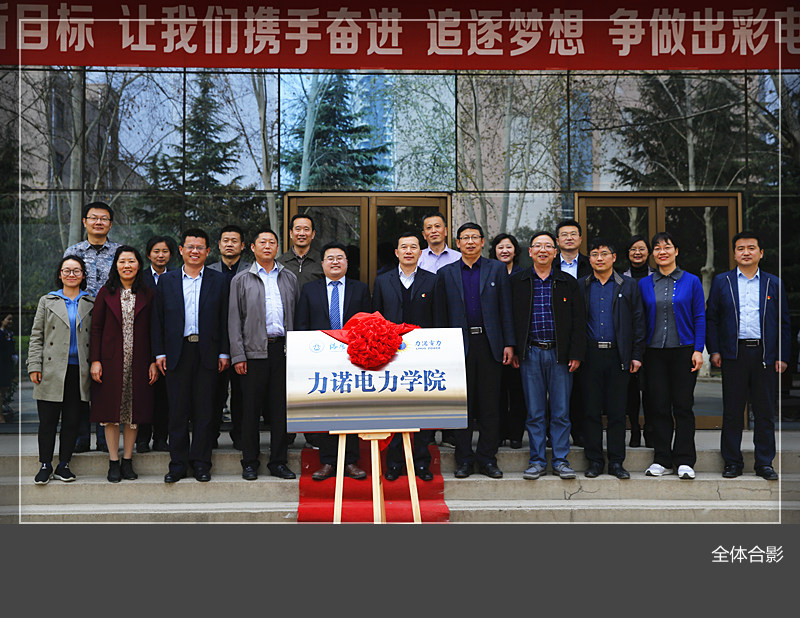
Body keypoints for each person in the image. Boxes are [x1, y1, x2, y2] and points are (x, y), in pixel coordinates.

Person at [706, 231, 790, 481]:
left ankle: (764, 463)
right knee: (732, 411)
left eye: (751, 248)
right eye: (740, 248)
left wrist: (782, 355)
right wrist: (715, 350)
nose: (746, 252)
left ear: (761, 253)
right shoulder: (722, 281)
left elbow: (783, 323)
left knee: (764, 411)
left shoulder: (773, 283)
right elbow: (712, 319)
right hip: (734, 354)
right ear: (734, 254)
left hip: (765, 354)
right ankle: (732, 462)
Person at [435, 223, 515, 479]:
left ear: (482, 241)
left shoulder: (497, 269)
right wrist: (443, 347)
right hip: (459, 346)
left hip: (490, 344)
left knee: (490, 405)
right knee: (463, 406)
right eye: (465, 238)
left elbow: (506, 309)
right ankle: (464, 460)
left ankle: (488, 459)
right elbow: (441, 314)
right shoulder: (446, 273)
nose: (470, 242)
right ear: (457, 243)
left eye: (474, 237)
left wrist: (509, 343)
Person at [152, 228, 231, 483]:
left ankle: (201, 463)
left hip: (208, 352)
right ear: (181, 250)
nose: (194, 251)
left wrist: (224, 351)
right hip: (177, 352)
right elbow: (158, 319)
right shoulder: (167, 281)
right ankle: (177, 464)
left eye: (200, 248)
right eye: (190, 247)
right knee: (177, 411)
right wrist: (159, 352)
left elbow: (225, 319)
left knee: (204, 411)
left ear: (208, 251)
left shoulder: (219, 281)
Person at [510, 231, 585, 480]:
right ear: (530, 252)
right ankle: (537, 461)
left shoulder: (568, 282)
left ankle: (561, 460)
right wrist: (515, 349)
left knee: (561, 411)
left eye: (548, 246)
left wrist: (576, 353)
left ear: (555, 252)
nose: (543, 250)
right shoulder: (518, 282)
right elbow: (510, 319)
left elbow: (579, 321)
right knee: (535, 412)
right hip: (530, 353)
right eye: (538, 246)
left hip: (560, 355)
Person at [295, 242, 372, 481]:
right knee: (326, 410)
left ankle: (351, 461)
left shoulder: (360, 289)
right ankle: (328, 461)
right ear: (322, 264)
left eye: (340, 258)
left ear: (347, 263)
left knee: (351, 410)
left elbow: (369, 324)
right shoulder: (310, 290)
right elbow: (302, 325)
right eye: (330, 258)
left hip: (353, 359)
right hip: (321, 361)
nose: (335, 262)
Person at [229, 227, 299, 481]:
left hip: (283, 351)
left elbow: (296, 314)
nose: (267, 246)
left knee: (280, 410)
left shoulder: (289, 277)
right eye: (262, 242)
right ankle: (250, 461)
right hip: (253, 353)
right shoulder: (241, 280)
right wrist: (238, 355)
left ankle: (278, 462)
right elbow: (234, 320)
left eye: (272, 242)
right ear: (253, 247)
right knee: (251, 410)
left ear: (277, 248)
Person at [639, 232, 705, 480]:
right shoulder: (644, 284)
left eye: (666, 247)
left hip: (684, 351)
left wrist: (698, 350)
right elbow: (640, 319)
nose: (662, 252)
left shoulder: (692, 281)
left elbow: (700, 317)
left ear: (676, 251)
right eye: (657, 249)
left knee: (683, 406)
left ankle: (685, 460)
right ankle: (662, 459)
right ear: (653, 254)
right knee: (658, 407)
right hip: (654, 353)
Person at [577, 238, 646, 479]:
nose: (599, 258)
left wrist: (636, 355)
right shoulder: (582, 285)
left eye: (604, 253)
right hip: (590, 355)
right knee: (591, 411)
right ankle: (595, 461)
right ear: (590, 259)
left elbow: (639, 321)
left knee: (617, 412)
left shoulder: (628, 285)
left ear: (614, 257)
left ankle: (617, 462)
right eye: (594, 254)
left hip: (619, 355)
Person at [372, 231, 437, 481]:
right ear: (396, 252)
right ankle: (394, 463)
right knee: (393, 409)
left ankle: (421, 463)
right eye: (404, 247)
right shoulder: (382, 281)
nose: (409, 251)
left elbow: (438, 319)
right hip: (391, 355)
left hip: (423, 355)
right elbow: (376, 318)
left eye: (413, 247)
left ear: (420, 252)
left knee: (421, 409)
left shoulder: (433, 280)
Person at [90, 246, 158, 483]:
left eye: (131, 261)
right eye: (122, 261)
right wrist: (95, 360)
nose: (127, 265)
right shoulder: (105, 293)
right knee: (111, 414)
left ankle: (128, 460)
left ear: (139, 265)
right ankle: (113, 461)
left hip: (139, 361)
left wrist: (153, 361)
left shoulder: (148, 294)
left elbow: (154, 330)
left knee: (132, 414)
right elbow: (96, 328)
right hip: (110, 362)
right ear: (116, 265)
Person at [27, 256, 94, 484]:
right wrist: (34, 365)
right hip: (51, 369)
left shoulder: (91, 302)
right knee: (47, 421)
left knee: (72, 421)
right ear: (60, 274)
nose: (71, 274)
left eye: (76, 270)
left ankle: (64, 464)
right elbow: (37, 336)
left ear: (83, 275)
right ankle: (45, 464)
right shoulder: (47, 301)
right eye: (67, 270)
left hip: (79, 370)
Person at [63, 201, 120, 453]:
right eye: (94, 218)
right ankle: (81, 437)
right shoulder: (73, 251)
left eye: (103, 218)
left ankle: (104, 437)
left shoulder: (119, 252)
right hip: (79, 321)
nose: (98, 222)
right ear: (84, 222)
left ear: (110, 223)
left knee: (106, 379)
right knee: (80, 378)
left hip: (111, 323)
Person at [418, 211, 462, 449]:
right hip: (424, 327)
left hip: (452, 323)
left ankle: (450, 434)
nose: (433, 231)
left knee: (449, 382)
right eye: (429, 227)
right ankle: (426, 433)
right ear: (424, 234)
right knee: (426, 383)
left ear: (446, 231)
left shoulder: (458, 257)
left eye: (438, 226)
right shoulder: (417, 257)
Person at [208, 225, 251, 451]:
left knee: (242, 392)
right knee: (214, 391)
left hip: (244, 340)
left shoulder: (251, 271)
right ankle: (211, 434)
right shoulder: (208, 271)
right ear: (219, 245)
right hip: (215, 340)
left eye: (234, 241)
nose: (229, 244)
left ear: (242, 246)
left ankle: (240, 436)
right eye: (225, 240)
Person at [553, 219, 591, 448]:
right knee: (555, 392)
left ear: (580, 238)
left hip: (586, 331)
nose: (569, 238)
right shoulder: (548, 264)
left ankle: (580, 432)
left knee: (581, 388)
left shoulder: (591, 263)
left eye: (573, 234)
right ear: (557, 241)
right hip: (556, 335)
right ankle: (554, 435)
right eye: (564, 234)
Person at [137, 235, 176, 453]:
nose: (160, 255)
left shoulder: (177, 277)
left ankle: (161, 437)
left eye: (165, 251)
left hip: (169, 343)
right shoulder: (139, 278)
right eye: (156, 251)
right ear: (148, 254)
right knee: (144, 393)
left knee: (165, 395)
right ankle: (142, 438)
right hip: (143, 341)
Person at [490, 233, 525, 449]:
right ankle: (500, 432)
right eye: (500, 247)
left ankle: (516, 434)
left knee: (518, 390)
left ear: (515, 251)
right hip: (494, 341)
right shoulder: (489, 274)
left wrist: (516, 346)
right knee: (497, 391)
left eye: (508, 247)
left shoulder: (523, 275)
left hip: (518, 341)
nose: (504, 251)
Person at [621, 235, 655, 448]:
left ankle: (650, 430)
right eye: (633, 249)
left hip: (652, 341)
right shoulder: (620, 278)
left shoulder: (657, 276)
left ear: (648, 252)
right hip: (628, 341)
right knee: (631, 391)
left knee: (651, 390)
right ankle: (634, 428)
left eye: (641, 249)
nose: (637, 253)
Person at [277, 213, 324, 290]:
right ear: (291, 233)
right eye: (298, 229)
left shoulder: (322, 262)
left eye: (306, 229)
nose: (302, 233)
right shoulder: (279, 263)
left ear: (313, 234)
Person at [0, 314, 16, 423]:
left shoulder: (9, 334)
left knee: (3, 391)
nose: (10, 322)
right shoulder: (1, 334)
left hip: (6, 366)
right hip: (2, 365)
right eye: (8, 319)